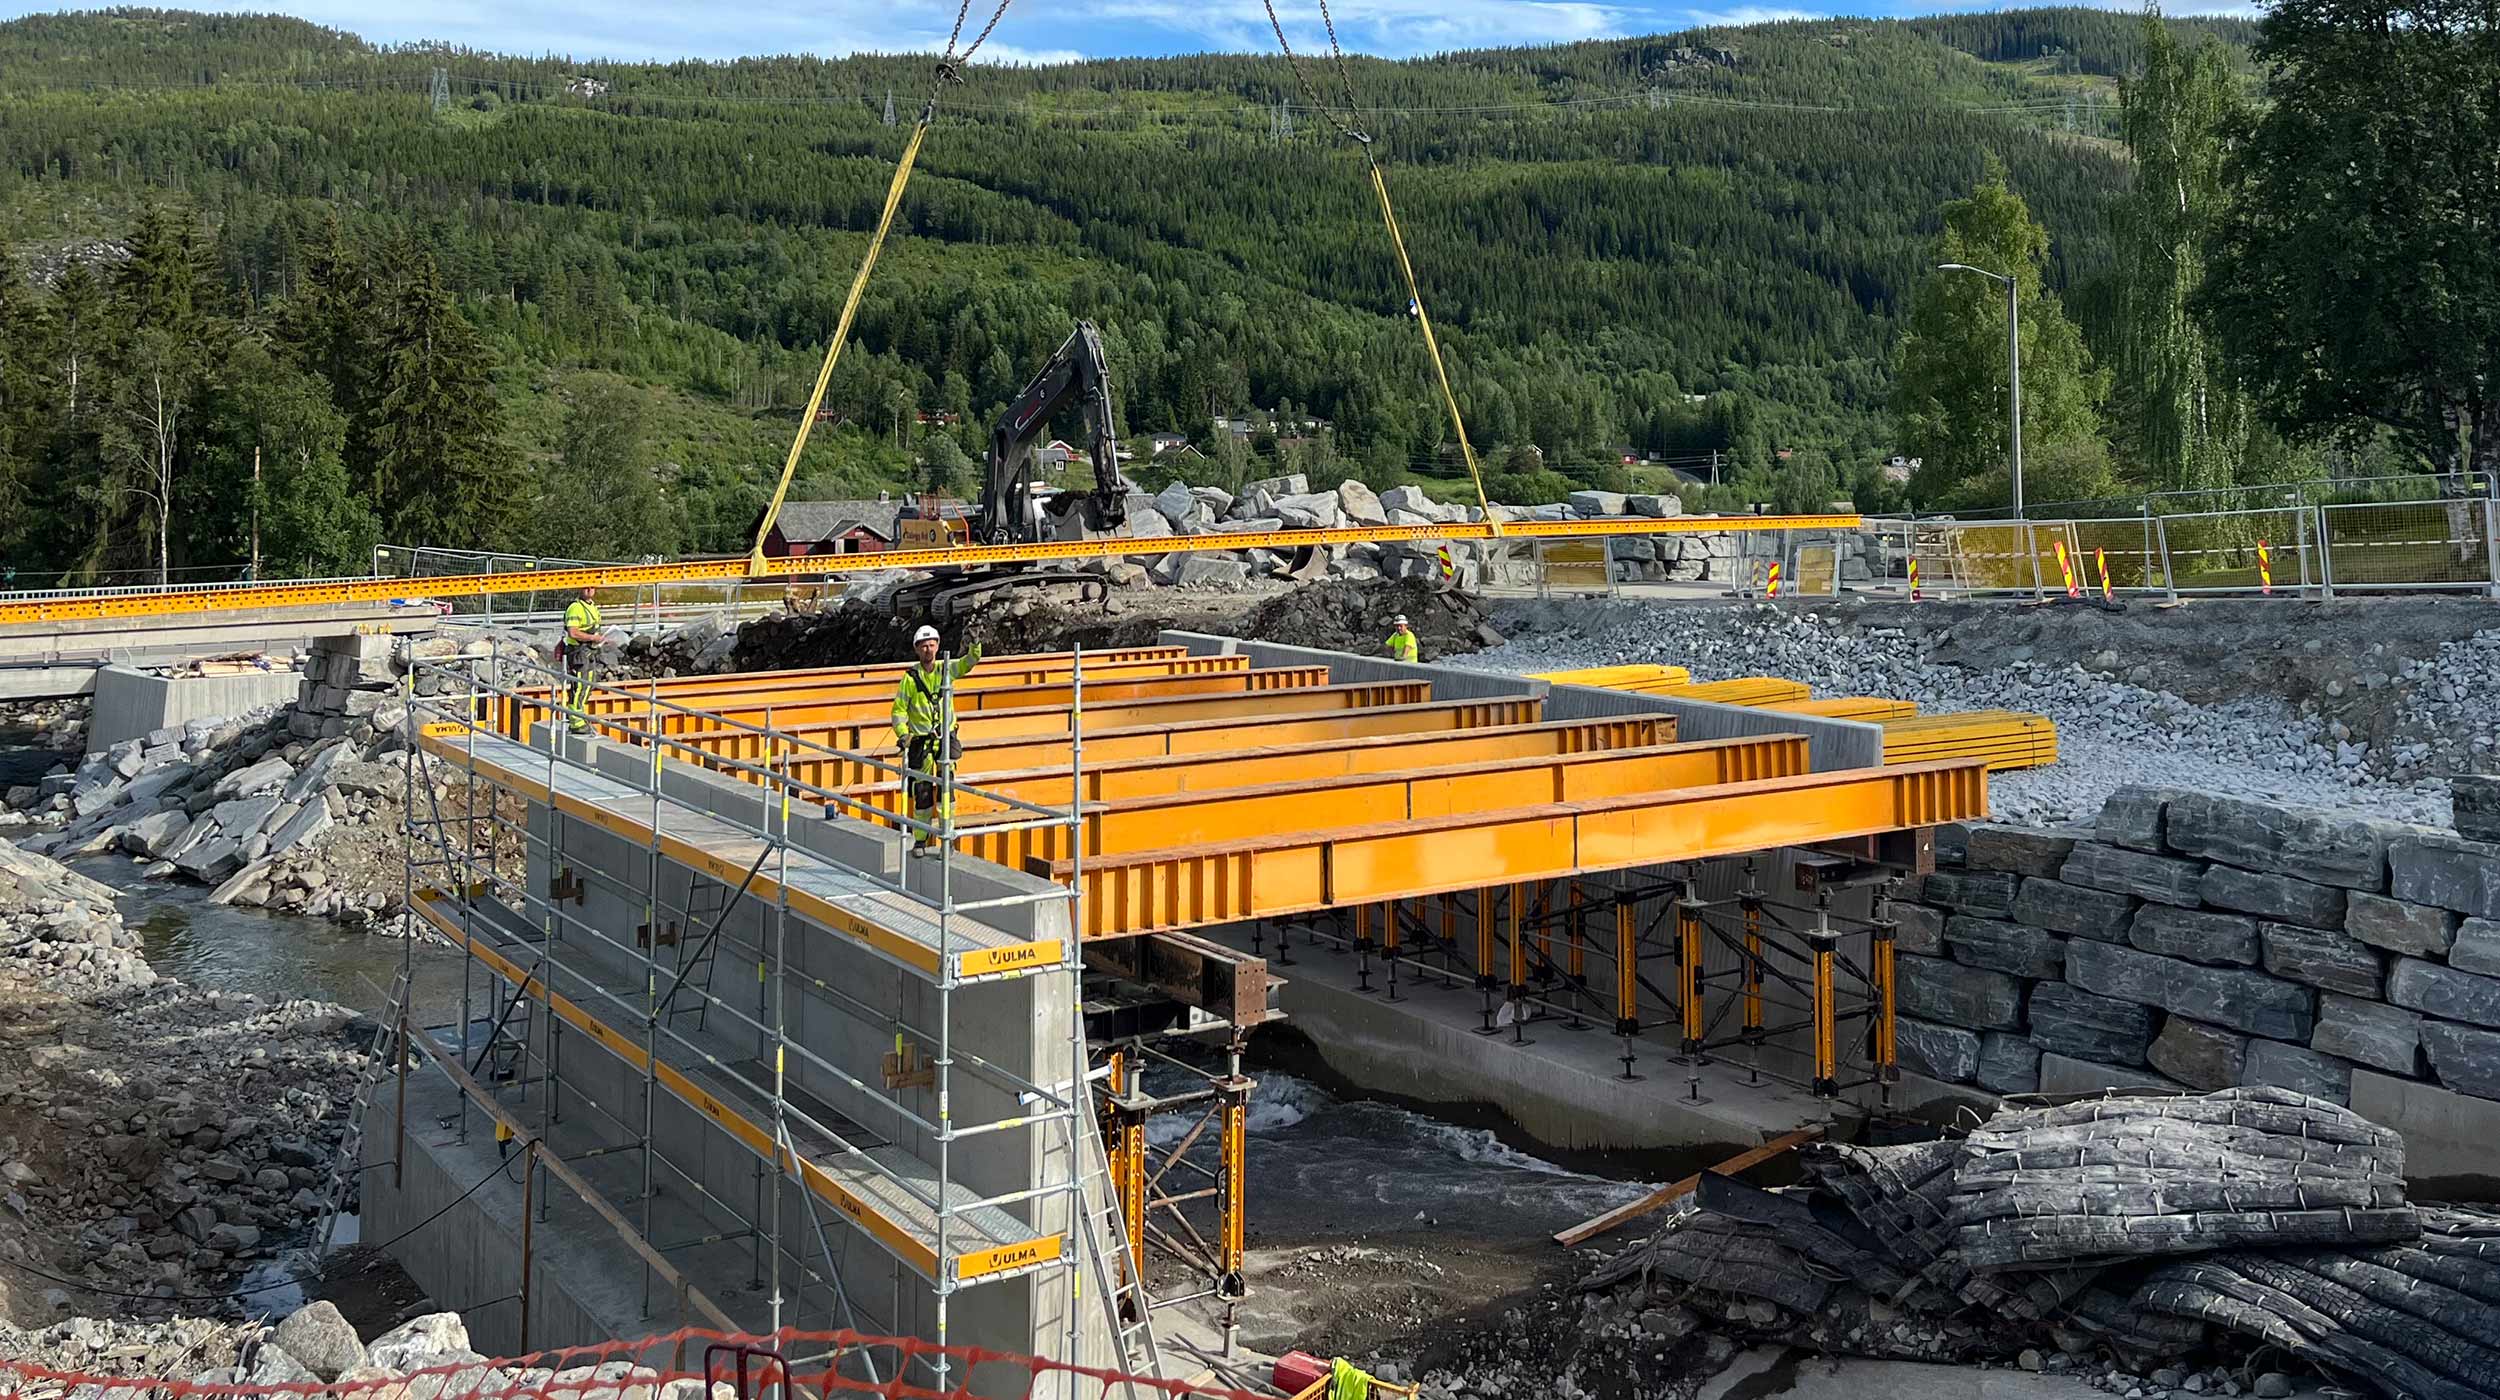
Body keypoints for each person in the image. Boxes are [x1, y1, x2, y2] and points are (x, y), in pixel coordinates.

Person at [892, 625, 982, 855]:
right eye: (924, 646)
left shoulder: (947, 669)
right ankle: (920, 840)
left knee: (946, 794)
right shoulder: (910, 678)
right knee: (922, 793)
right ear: (917, 649)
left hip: (944, 741)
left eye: (932, 645)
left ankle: (946, 839)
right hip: (921, 743)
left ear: (938, 646)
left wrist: (975, 644)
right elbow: (899, 710)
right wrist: (903, 734)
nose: (928, 650)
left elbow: (969, 662)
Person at [560, 585, 612, 734]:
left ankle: (580, 716)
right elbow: (573, 632)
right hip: (578, 652)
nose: (589, 590)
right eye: (586, 587)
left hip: (589, 651)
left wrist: (599, 639)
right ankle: (576, 721)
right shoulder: (575, 608)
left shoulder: (592, 606)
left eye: (592, 587)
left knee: (588, 684)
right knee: (579, 686)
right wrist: (593, 637)